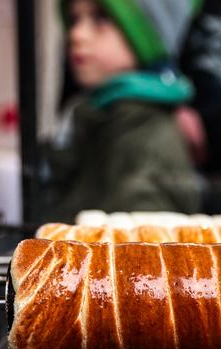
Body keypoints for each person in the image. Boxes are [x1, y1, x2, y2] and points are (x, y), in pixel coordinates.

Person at [40, 0, 202, 222]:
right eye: (75, 19)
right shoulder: (94, 116)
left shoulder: (145, 136)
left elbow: (140, 252)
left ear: (147, 36)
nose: (77, 34)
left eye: (101, 19)